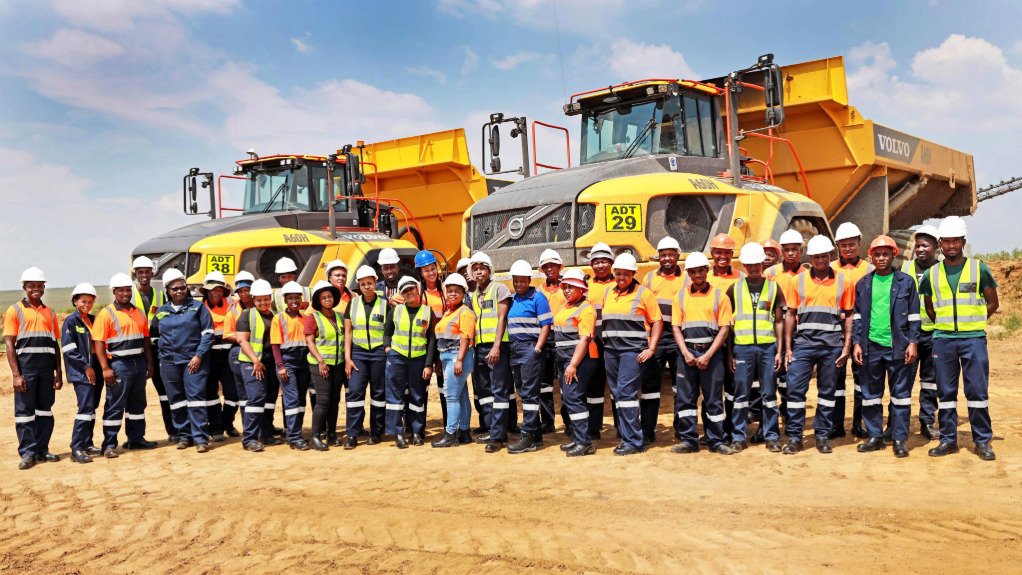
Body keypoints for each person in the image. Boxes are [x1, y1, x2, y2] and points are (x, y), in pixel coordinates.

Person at [921, 216, 999, 461]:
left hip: (973, 339)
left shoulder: (979, 268)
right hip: (943, 340)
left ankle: (982, 441)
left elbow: (993, 303)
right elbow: (930, 307)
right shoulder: (931, 274)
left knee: (976, 391)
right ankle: (947, 440)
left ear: (963, 242)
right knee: (945, 393)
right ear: (940, 244)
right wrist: (946, 326)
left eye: (956, 240)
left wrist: (973, 323)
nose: (951, 245)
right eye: (946, 241)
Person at [782, 235, 854, 455]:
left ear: (830, 256)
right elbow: (791, 315)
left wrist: (846, 346)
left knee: (827, 393)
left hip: (832, 346)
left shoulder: (844, 281)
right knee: (795, 391)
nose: (821, 260)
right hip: (803, 344)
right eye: (816, 257)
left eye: (824, 256)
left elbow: (849, 315)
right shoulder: (798, 281)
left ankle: (822, 436)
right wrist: (787, 347)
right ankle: (795, 437)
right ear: (810, 257)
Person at [851, 236, 920, 458]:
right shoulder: (863, 284)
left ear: (893, 255)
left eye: (885, 254)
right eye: (877, 254)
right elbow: (858, 317)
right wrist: (856, 343)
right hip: (871, 346)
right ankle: (875, 437)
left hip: (898, 347)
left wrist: (913, 342)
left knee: (900, 395)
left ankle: (899, 438)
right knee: (871, 395)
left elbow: (914, 316)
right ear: (871, 256)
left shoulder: (906, 282)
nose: (881, 258)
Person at [600, 253, 663, 456]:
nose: (621, 277)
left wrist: (651, 348)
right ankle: (628, 435)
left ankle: (634, 441)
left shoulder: (644, 294)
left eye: (626, 274)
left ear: (633, 274)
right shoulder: (609, 292)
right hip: (611, 351)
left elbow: (657, 321)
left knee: (626, 394)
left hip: (632, 351)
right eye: (618, 273)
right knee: (618, 393)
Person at [671, 253, 734, 455]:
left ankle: (716, 440)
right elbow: (676, 328)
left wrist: (708, 355)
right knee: (685, 400)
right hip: (687, 354)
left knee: (713, 399)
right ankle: (689, 439)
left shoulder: (720, 296)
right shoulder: (679, 297)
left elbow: (724, 329)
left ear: (707, 271)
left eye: (701, 270)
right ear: (688, 273)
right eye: (693, 271)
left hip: (712, 354)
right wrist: (685, 353)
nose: (697, 275)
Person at [727, 243, 785, 452]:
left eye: (757, 264)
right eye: (749, 264)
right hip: (742, 349)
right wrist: (730, 354)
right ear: (743, 265)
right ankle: (738, 437)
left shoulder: (773, 287)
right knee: (741, 395)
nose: (753, 268)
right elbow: (728, 325)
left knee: (769, 393)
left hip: (768, 348)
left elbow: (779, 320)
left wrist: (780, 350)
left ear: (763, 263)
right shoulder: (734, 288)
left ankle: (771, 436)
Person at [150, 269, 215, 452]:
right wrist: (161, 356)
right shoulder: (161, 312)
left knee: (196, 399)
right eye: (175, 288)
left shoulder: (198, 307)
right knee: (176, 400)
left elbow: (208, 334)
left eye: (182, 287)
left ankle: (200, 438)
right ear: (167, 291)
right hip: (169, 363)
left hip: (193, 361)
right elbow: (153, 337)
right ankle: (184, 435)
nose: (179, 291)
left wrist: (198, 355)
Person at [92, 272, 156, 458]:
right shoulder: (106, 314)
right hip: (119, 365)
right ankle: (109, 444)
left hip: (138, 364)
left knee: (138, 404)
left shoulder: (139, 312)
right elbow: (98, 343)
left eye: (128, 289)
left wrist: (149, 364)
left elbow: (145, 341)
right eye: (121, 290)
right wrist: (105, 368)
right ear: (114, 292)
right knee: (115, 404)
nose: (125, 293)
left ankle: (136, 439)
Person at [4, 267, 62, 469]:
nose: (36, 289)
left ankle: (42, 450)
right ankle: (28, 453)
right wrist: (16, 375)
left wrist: (58, 373)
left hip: (46, 370)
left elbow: (55, 344)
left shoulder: (50, 312)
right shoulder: (15, 311)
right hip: (26, 370)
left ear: (44, 287)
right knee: (25, 413)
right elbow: (9, 344)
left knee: (45, 411)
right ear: (24, 287)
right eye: (31, 286)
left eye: (39, 286)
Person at [831, 222, 874, 439]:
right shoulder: (829, 268)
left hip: (862, 329)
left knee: (862, 379)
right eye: (843, 245)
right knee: (834, 380)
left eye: (851, 244)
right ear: (837, 245)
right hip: (834, 329)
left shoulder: (870, 270)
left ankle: (859, 422)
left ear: (859, 243)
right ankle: (835, 424)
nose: (847, 249)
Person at [505, 260, 553, 454]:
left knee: (530, 394)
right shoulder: (513, 299)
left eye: (522, 281)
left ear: (528, 279)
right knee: (524, 392)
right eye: (515, 281)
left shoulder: (538, 298)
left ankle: (528, 437)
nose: (518, 284)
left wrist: (538, 350)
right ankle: (537, 435)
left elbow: (546, 326)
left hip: (530, 349)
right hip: (515, 349)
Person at [469, 252, 514, 453]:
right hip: (479, 347)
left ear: (489, 270)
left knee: (499, 390)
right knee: (485, 392)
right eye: (475, 268)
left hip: (497, 347)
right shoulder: (473, 295)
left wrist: (496, 346)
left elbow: (502, 319)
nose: (479, 272)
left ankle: (498, 436)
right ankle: (491, 428)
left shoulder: (499, 289)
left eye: (482, 268)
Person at [383, 276, 436, 448]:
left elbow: (432, 340)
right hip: (397, 358)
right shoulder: (396, 311)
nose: (409, 293)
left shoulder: (428, 312)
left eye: (411, 289)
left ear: (417, 289)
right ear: (402, 295)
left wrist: (428, 364)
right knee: (395, 396)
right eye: (405, 291)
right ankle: (398, 433)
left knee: (417, 395)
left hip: (418, 360)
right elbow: (387, 333)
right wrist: (388, 350)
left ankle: (416, 432)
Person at [640, 237, 683, 446]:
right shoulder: (648, 278)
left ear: (678, 255)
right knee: (650, 388)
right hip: (655, 339)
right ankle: (647, 431)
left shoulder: (688, 278)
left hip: (678, 338)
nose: (667, 258)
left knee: (680, 387)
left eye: (671, 254)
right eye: (663, 254)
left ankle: (682, 430)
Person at [552, 269, 599, 457]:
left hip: (580, 360)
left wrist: (572, 365)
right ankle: (579, 439)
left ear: (581, 289)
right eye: (565, 287)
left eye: (572, 287)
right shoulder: (566, 306)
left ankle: (584, 442)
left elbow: (584, 339)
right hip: (565, 358)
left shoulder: (586, 309)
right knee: (570, 398)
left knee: (573, 397)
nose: (567, 290)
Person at [901, 225, 941, 440]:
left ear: (935, 247)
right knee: (903, 380)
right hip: (909, 336)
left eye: (925, 245)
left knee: (930, 381)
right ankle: (899, 423)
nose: (920, 249)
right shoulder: (906, 268)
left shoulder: (941, 270)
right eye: (917, 245)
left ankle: (927, 421)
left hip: (934, 333)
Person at [765, 229, 807, 428]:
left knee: (791, 374)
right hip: (773, 328)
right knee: (772, 373)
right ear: (781, 251)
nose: (791, 253)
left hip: (798, 330)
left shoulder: (806, 274)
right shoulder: (770, 273)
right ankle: (769, 418)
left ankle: (788, 412)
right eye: (787, 250)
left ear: (801, 251)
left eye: (795, 249)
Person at [130, 256, 174, 443]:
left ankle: (173, 431)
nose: (144, 275)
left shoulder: (160, 295)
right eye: (140, 272)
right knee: (135, 397)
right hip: (134, 351)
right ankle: (135, 438)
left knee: (165, 393)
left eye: (147, 271)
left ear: (153, 273)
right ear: (135, 273)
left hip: (157, 350)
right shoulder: (128, 294)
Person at [344, 266, 389, 448]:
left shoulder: (385, 303)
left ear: (375, 282)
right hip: (359, 353)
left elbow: (388, 331)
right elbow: (348, 332)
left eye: (369, 283)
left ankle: (376, 432)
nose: (367, 287)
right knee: (355, 392)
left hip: (379, 353)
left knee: (378, 393)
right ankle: (352, 434)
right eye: (363, 284)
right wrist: (348, 358)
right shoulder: (352, 304)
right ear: (359, 286)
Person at [236, 279, 283, 452]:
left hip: (271, 361)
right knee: (256, 397)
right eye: (259, 300)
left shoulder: (275, 315)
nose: (263, 303)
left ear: (270, 298)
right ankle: (249, 438)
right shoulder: (247, 315)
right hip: (252, 362)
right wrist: (255, 360)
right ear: (253, 300)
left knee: (270, 399)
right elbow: (242, 339)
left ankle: (267, 433)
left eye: (266, 299)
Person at [431, 274, 477, 447]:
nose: (452, 294)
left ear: (463, 293)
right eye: (449, 291)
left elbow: (466, 337)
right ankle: (464, 432)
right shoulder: (450, 312)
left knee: (451, 397)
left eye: (456, 291)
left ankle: (450, 434)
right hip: (449, 356)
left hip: (457, 356)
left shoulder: (465, 312)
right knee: (462, 396)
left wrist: (459, 360)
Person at [62, 283, 104, 464]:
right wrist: (86, 367)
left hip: (96, 367)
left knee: (92, 408)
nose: (87, 304)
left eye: (90, 301)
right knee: (85, 408)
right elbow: (69, 349)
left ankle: (87, 443)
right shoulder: (71, 321)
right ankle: (76, 447)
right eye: (83, 301)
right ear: (75, 301)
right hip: (81, 370)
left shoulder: (93, 319)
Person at [271, 281, 312, 451]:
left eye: (297, 298)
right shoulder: (278, 318)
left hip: (303, 361)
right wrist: (280, 366)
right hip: (287, 361)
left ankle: (294, 432)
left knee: (301, 400)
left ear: (301, 300)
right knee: (292, 399)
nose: (294, 301)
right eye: (291, 298)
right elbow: (275, 345)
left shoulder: (305, 318)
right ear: (285, 300)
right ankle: (294, 437)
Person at [305, 280, 345, 451]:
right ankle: (315, 436)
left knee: (335, 399)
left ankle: (332, 434)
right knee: (323, 400)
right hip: (320, 364)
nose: (327, 299)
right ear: (318, 301)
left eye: (329, 296)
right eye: (323, 297)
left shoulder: (339, 316)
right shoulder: (313, 317)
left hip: (338, 364)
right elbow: (309, 340)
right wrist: (321, 361)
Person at [585, 242, 618, 439]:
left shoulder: (621, 283)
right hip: (593, 343)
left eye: (604, 261)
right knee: (594, 386)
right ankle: (594, 427)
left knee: (616, 387)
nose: (600, 266)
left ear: (611, 263)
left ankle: (621, 427)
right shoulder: (586, 286)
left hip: (615, 343)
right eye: (596, 262)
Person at [201, 271, 238, 440]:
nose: (216, 293)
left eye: (219, 290)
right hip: (209, 356)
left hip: (228, 354)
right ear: (206, 291)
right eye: (212, 290)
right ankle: (215, 429)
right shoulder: (199, 308)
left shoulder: (232, 305)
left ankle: (226, 422)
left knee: (233, 393)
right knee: (210, 394)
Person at [415, 250, 447, 431]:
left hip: (444, 344)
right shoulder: (418, 293)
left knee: (445, 387)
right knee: (422, 386)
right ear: (420, 273)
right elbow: (395, 301)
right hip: (426, 344)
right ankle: (418, 428)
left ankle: (449, 425)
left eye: (432, 268)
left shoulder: (444, 290)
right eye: (426, 270)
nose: (430, 273)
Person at [223, 271, 254, 444]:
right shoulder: (233, 309)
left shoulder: (261, 305)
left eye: (247, 290)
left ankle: (264, 426)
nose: (244, 294)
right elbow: (227, 334)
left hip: (259, 352)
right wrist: (246, 340)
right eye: (241, 290)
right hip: (238, 351)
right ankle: (247, 428)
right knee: (243, 394)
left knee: (258, 392)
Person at [537, 249, 565, 433]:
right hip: (545, 338)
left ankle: (570, 423)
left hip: (564, 337)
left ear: (559, 266)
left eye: (552, 265)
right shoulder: (539, 291)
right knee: (544, 384)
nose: (549, 269)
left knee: (566, 382)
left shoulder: (568, 286)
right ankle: (547, 422)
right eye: (545, 266)